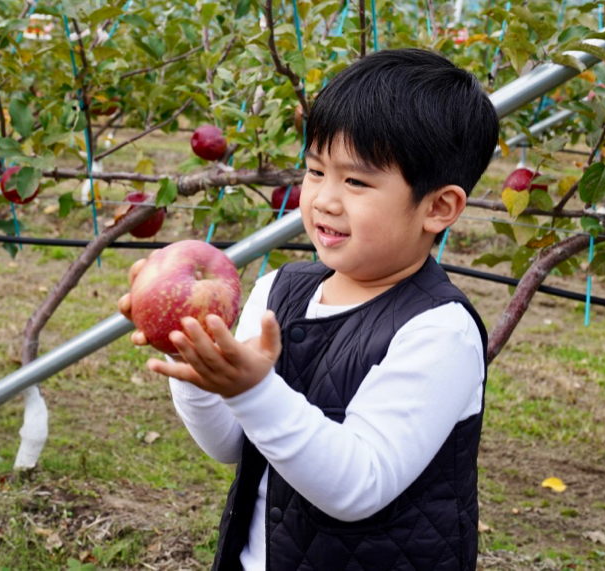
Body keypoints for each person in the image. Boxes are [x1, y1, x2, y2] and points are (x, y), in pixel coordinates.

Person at [118, 48, 501, 570]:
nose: (323, 198)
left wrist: (252, 389)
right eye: (316, 171)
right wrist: (194, 363)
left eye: (357, 181)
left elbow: (358, 484)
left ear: (438, 207)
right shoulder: (281, 289)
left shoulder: (440, 331)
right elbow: (233, 444)